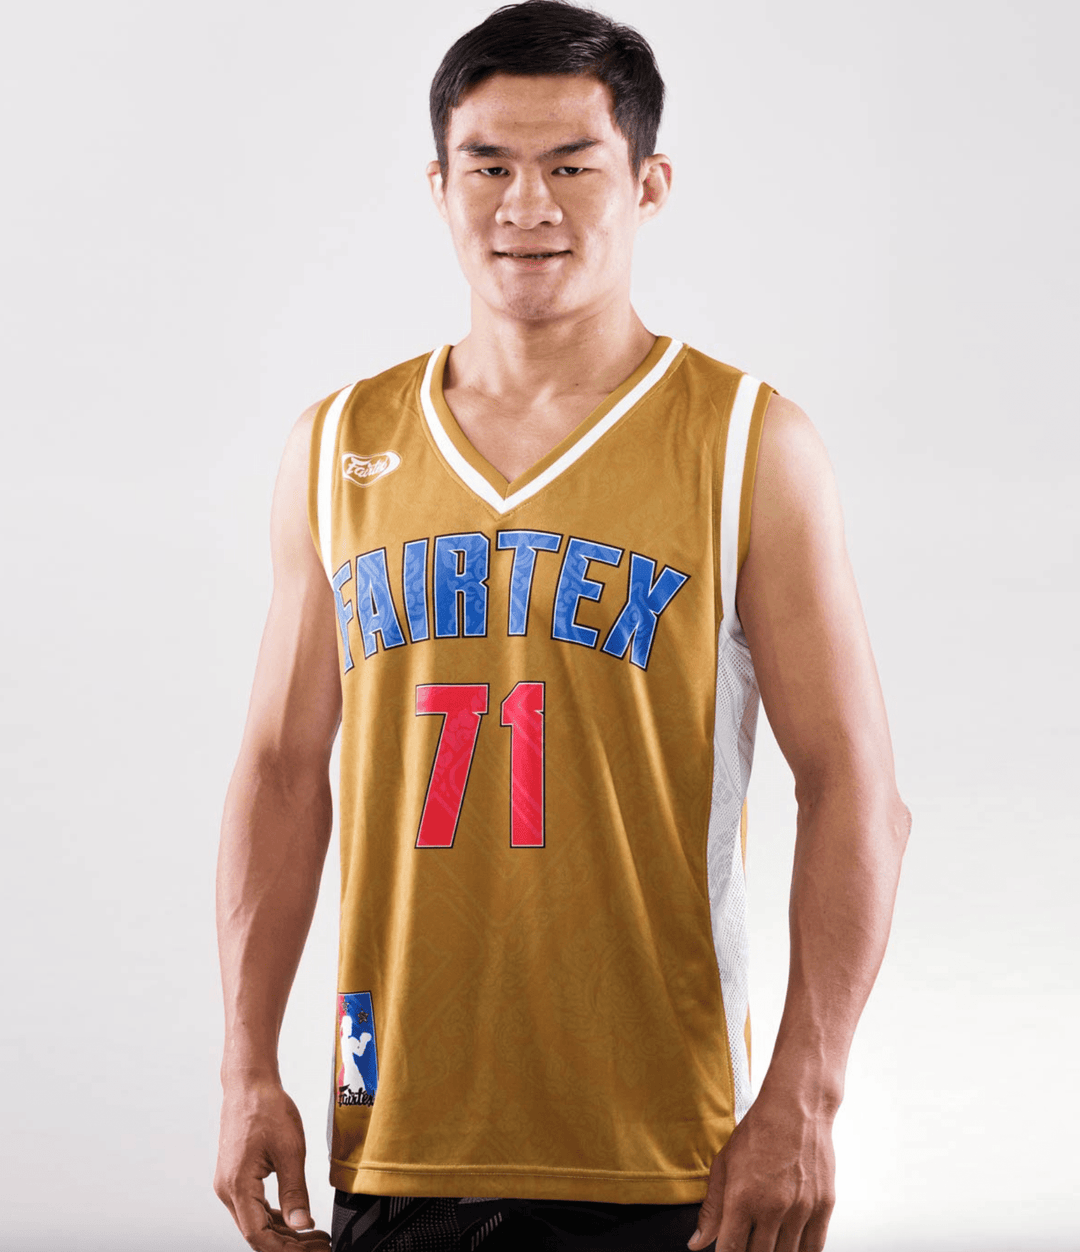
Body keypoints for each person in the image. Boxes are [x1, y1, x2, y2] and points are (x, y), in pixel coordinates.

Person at [213, 3, 910, 1250]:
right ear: (439, 187)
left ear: (648, 185)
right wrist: (244, 1062)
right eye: (488, 165)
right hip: (396, 1129)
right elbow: (277, 768)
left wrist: (807, 1092)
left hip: (667, 1155)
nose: (525, 205)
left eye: (571, 166)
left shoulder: (749, 444)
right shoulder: (337, 445)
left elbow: (856, 787)